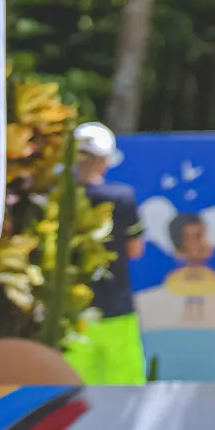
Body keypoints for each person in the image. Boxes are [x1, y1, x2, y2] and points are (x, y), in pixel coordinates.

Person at [64, 122, 147, 385]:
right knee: (124, 391)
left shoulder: (54, 196)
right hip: (116, 308)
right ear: (105, 161)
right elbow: (135, 250)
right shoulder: (122, 198)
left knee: (73, 393)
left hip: (70, 312)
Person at [166, 212, 215, 322]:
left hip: (202, 277)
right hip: (187, 278)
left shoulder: (204, 251)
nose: (195, 244)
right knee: (189, 297)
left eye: (199, 236)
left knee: (200, 297)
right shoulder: (182, 259)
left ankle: (200, 317)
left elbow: (208, 253)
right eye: (188, 238)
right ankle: (189, 316)